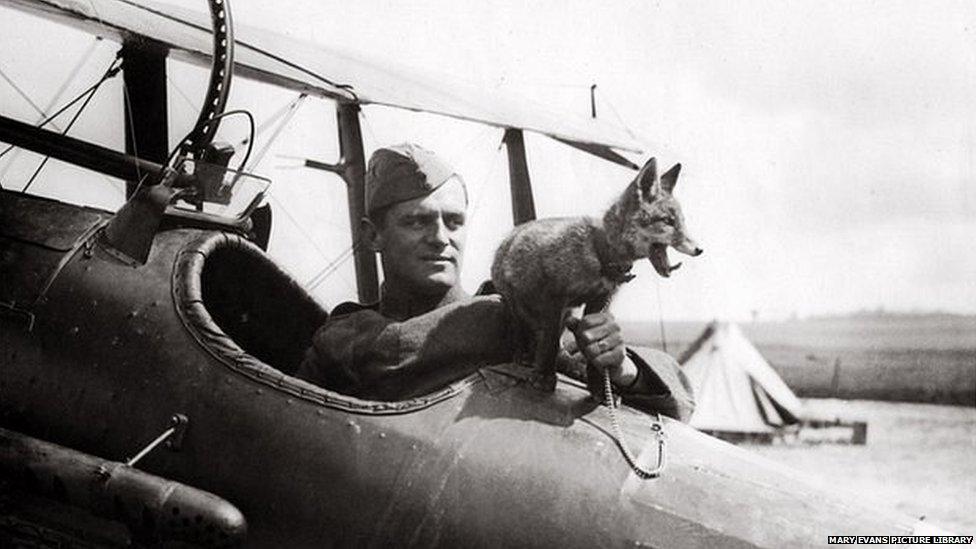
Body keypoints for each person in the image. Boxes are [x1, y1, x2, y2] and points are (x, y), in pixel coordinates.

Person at [296, 143, 693, 421]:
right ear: (372, 237)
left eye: (454, 221)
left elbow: (678, 394)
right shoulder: (339, 342)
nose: (440, 237)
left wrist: (623, 367)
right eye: (416, 221)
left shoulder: (512, 317)